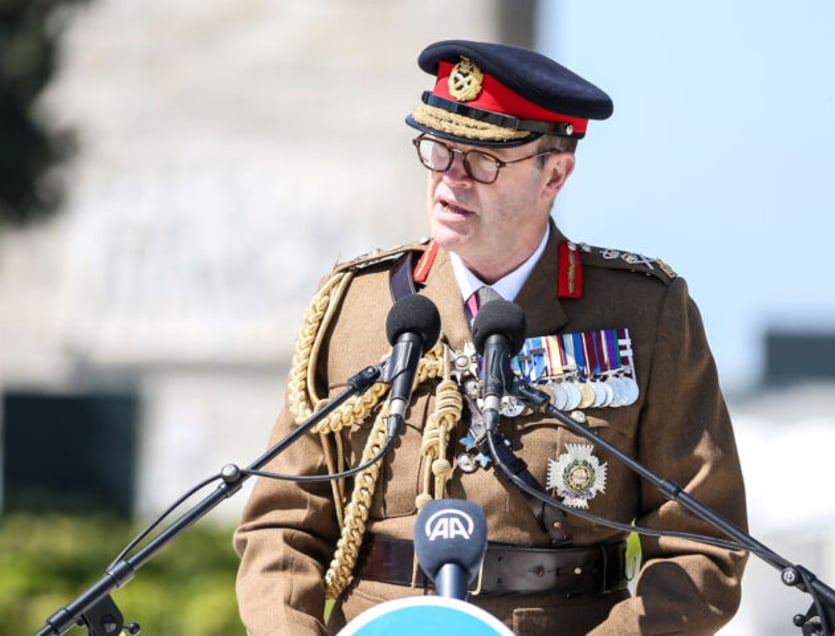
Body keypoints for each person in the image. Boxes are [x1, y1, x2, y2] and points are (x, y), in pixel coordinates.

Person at [233, 39, 748, 635]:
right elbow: (280, 528)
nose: (450, 180)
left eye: (481, 160)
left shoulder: (644, 312)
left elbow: (702, 546)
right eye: (439, 151)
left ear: (554, 172)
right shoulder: (356, 305)